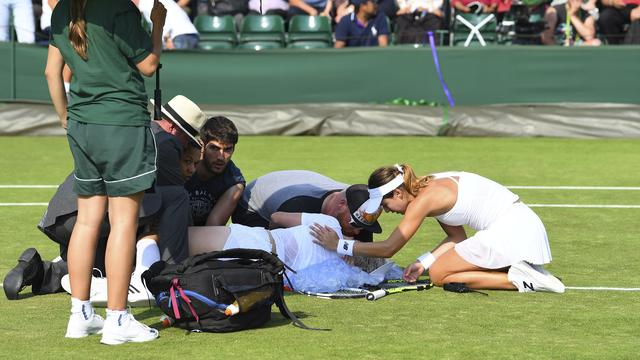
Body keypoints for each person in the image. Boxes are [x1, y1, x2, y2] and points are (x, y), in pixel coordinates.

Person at [3, 95, 205, 305]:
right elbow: (172, 202)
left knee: (100, 268)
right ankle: (175, 279)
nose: (186, 146)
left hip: (61, 216)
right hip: (93, 213)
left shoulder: (131, 127)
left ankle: (39, 270)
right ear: (173, 128)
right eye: (188, 139)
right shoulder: (167, 141)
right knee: (177, 198)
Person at [45, 0, 166, 344]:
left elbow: (52, 73)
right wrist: (156, 24)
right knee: (124, 221)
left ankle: (80, 315)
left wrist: (65, 117)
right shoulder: (120, 9)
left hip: (82, 125)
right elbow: (149, 64)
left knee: (87, 219)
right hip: (121, 124)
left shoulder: (61, 10)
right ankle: (117, 318)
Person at [312, 164, 566, 293]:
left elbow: (389, 249)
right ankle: (521, 270)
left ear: (398, 193)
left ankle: (520, 279)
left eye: (386, 203)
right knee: (435, 268)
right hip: (522, 227)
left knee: (440, 275)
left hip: (511, 231)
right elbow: (456, 236)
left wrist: (339, 245)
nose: (387, 210)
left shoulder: (423, 201)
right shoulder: (427, 186)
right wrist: (423, 262)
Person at [189, 189, 383, 291]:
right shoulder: (335, 278)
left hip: (255, 240)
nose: (357, 232)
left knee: (174, 243)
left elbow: (276, 217)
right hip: (257, 271)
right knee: (186, 271)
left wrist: (273, 236)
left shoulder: (330, 223)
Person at [231, 170, 382, 242]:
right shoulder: (297, 205)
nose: (357, 231)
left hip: (289, 188)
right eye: (355, 225)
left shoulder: (359, 203)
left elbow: (365, 256)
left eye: (362, 226)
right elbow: (275, 226)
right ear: (341, 205)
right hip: (251, 209)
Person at [185, 116, 245, 226]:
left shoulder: (234, 182)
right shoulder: (182, 165)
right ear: (202, 145)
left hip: (206, 236)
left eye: (227, 149)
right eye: (214, 148)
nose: (221, 157)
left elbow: (213, 227)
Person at [135, 0, 200, 49]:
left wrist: (167, 40)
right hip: (190, 35)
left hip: (179, 37)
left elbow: (162, 21)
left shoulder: (145, 3)